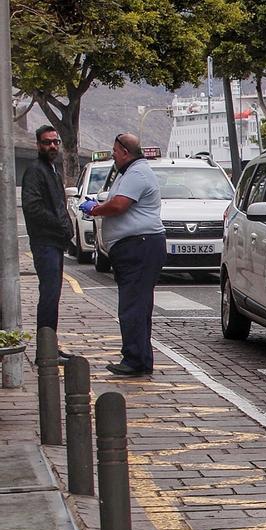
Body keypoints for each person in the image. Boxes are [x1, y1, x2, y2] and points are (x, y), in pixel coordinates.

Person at [80, 133, 166, 377]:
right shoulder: (130, 172)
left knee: (132, 307)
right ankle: (140, 357)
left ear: (125, 151)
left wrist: (95, 209)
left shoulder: (136, 173)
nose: (114, 156)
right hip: (138, 246)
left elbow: (119, 205)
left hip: (140, 246)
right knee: (137, 305)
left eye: (115, 151)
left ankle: (134, 360)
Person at [20, 125, 75, 363]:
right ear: (38, 145)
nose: (52, 146)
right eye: (47, 142)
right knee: (49, 296)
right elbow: (33, 208)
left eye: (55, 142)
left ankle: (50, 346)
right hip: (45, 243)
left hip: (54, 242)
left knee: (53, 296)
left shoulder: (51, 169)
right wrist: (60, 227)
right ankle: (45, 351)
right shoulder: (35, 171)